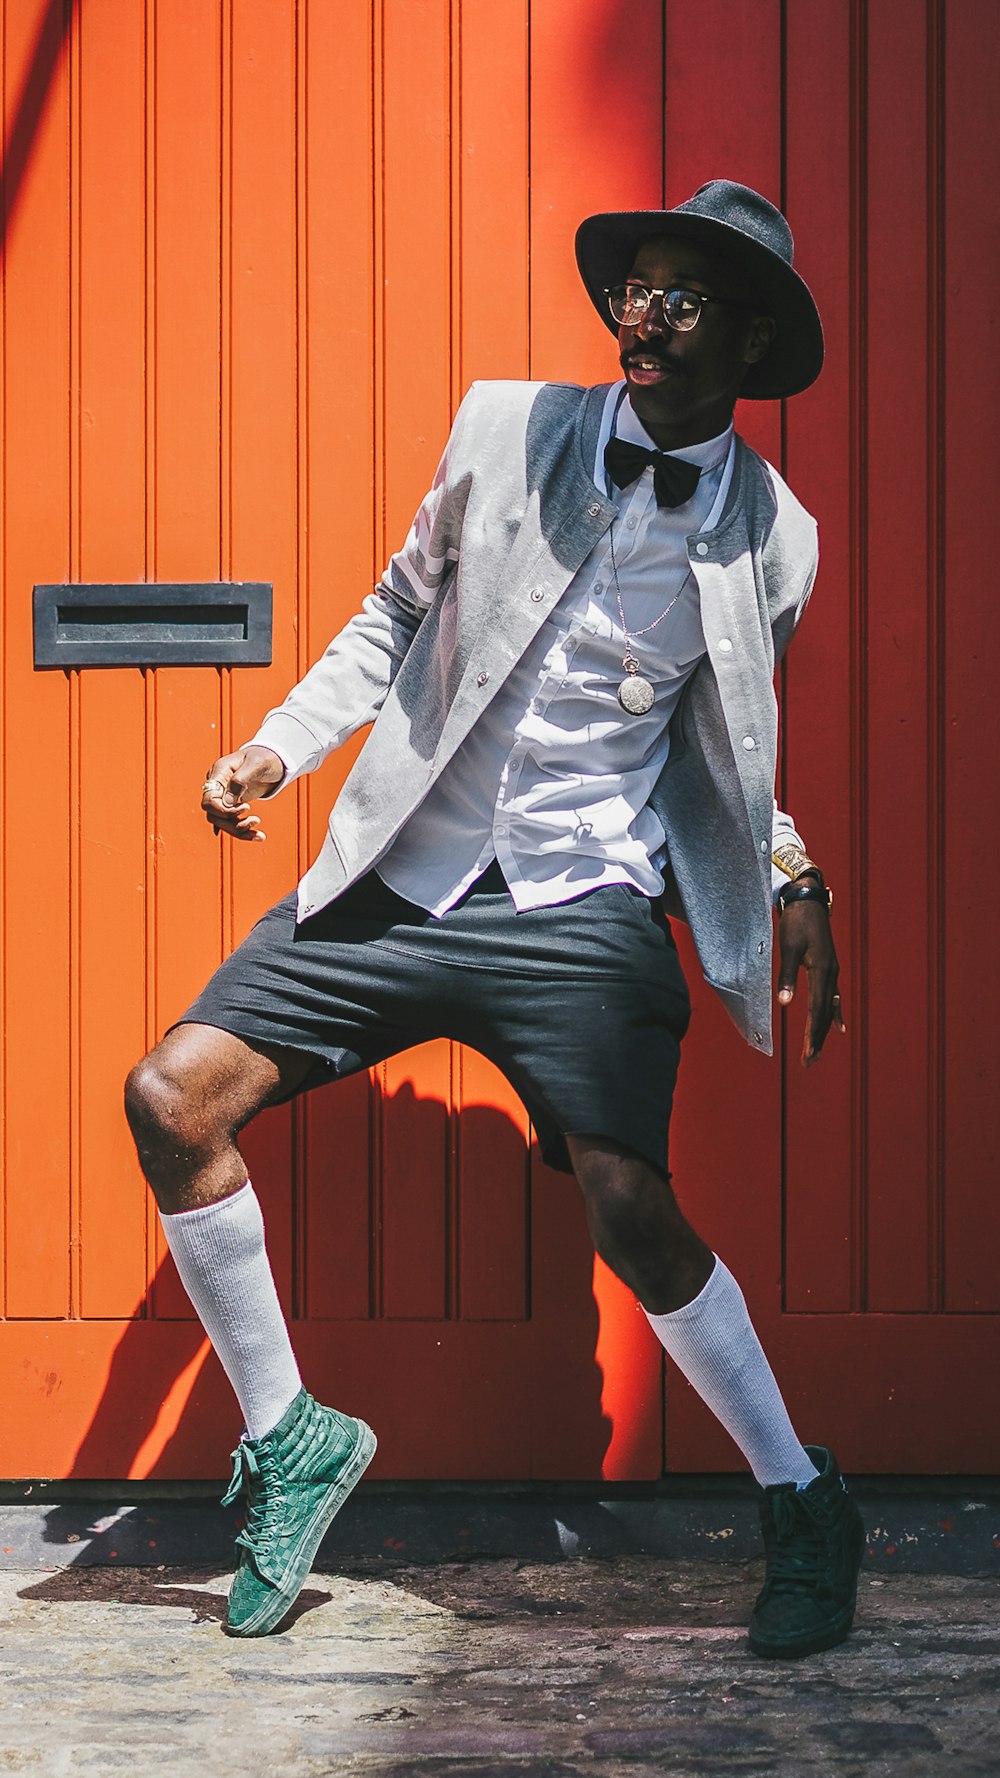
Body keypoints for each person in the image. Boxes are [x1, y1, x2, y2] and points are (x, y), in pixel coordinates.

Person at [125, 180, 862, 1656]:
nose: (638, 316)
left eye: (680, 296)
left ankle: (801, 1493)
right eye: (633, 287)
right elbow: (396, 609)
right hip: (415, 866)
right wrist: (287, 739)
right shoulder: (503, 429)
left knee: (631, 1208)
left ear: (750, 337)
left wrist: (790, 871)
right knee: (173, 1094)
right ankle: (291, 1438)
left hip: (582, 897)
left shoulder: (777, 535)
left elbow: (736, 744)